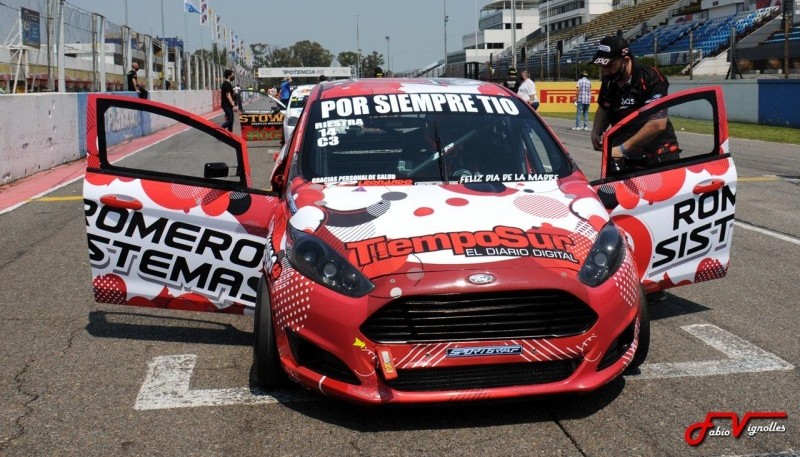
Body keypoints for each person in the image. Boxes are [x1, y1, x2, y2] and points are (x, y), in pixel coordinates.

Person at [590, 34, 679, 170]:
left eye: (609, 65)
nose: (604, 71)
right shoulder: (609, 80)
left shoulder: (652, 78)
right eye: (601, 66)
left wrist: (622, 149)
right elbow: (604, 107)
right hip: (622, 154)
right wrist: (596, 131)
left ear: (625, 60)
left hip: (658, 155)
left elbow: (657, 124)